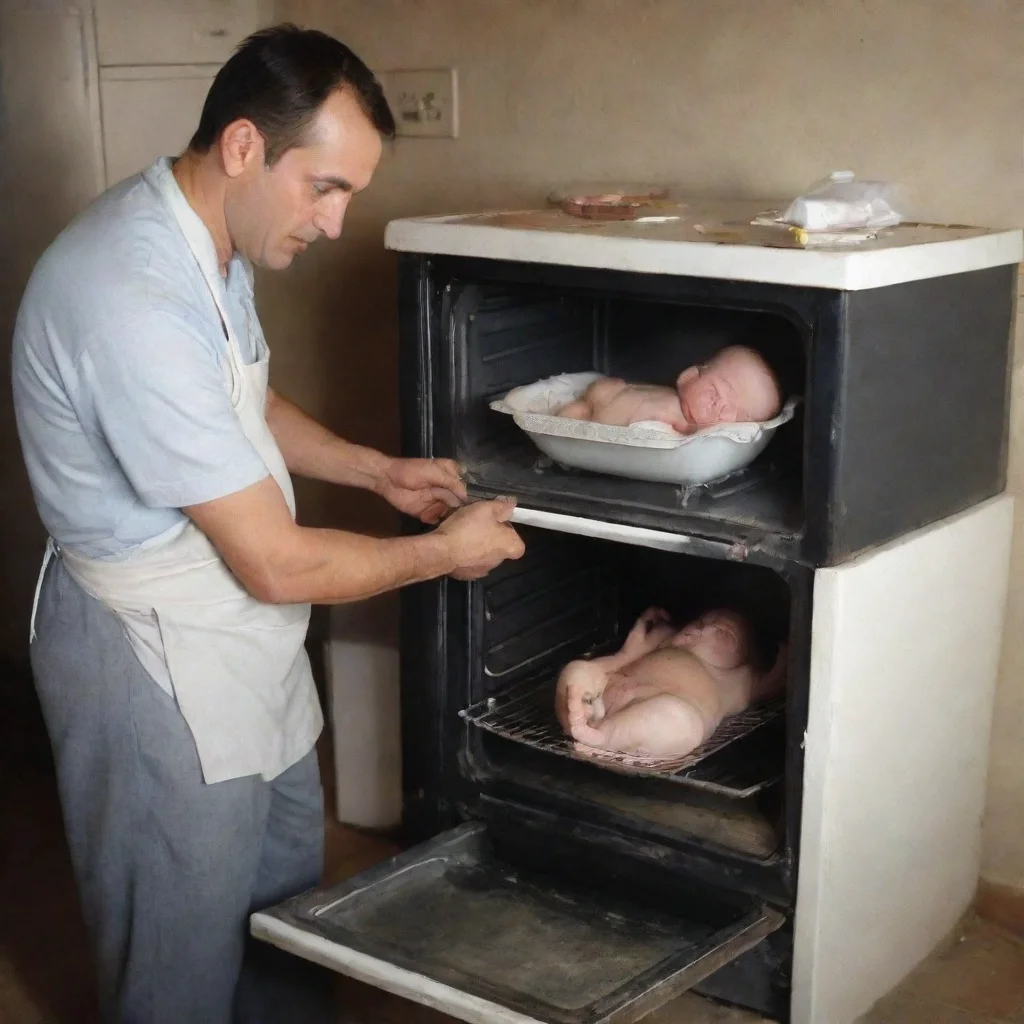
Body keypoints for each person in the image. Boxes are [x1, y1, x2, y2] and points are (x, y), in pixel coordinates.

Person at [11, 24, 523, 1024]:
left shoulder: (209, 234)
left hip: (242, 639)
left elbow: (244, 404)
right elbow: (280, 565)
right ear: (245, 147)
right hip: (150, 656)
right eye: (324, 188)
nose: (335, 225)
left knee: (283, 915)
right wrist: (443, 553)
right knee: (175, 952)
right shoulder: (129, 291)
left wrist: (377, 471)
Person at [555, 607, 786, 759]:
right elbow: (623, 656)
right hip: (609, 691)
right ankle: (580, 712)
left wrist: (788, 655)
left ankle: (606, 737)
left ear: (747, 660)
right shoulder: (667, 638)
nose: (702, 628)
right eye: (700, 621)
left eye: (723, 634)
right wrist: (625, 649)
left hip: (668, 708)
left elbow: (775, 681)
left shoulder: (739, 679)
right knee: (578, 669)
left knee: (681, 723)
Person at [556, 344, 783, 434]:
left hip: (600, 423)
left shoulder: (686, 429)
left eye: (737, 415)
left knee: (573, 420)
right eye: (714, 394)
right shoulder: (668, 395)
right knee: (570, 416)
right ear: (689, 377)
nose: (720, 411)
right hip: (604, 395)